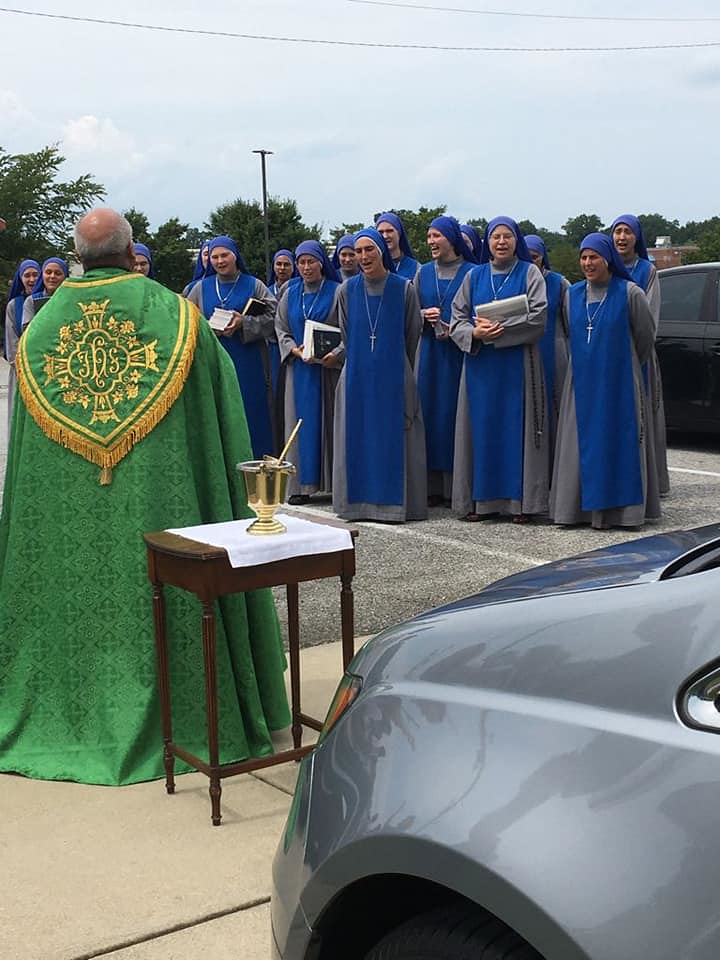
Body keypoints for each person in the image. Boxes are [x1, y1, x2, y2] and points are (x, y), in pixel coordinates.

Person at [0, 207, 290, 786]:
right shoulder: (180, 319)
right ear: (133, 249)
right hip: (167, 522)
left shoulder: (37, 335)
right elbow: (223, 419)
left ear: (77, 256)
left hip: (68, 535)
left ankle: (60, 709)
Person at [550, 233, 659, 529]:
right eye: (583, 257)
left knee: (619, 441)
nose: (588, 263)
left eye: (594, 257)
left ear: (608, 259)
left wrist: (623, 363)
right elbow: (571, 332)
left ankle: (623, 513)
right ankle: (577, 511)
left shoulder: (630, 293)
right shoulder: (570, 294)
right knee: (578, 444)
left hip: (620, 380)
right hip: (581, 381)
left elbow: (644, 338)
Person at [450, 216, 548, 523]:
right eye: (495, 237)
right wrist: (474, 334)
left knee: (514, 430)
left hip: (516, 365)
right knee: (480, 432)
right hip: (480, 366)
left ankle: (519, 503)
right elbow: (456, 318)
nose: (501, 242)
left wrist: (501, 329)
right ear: (487, 243)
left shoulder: (530, 272)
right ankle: (479, 502)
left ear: (516, 240)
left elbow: (539, 315)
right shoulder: (474, 276)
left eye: (507, 236)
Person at [332, 228, 427, 522]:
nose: (363, 257)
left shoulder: (404, 288)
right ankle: (357, 505)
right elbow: (347, 334)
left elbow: (412, 334)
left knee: (396, 437)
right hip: (357, 377)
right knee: (357, 435)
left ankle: (397, 506)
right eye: (358, 252)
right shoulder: (346, 290)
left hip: (394, 375)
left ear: (381, 252)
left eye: (368, 250)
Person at [187, 235, 277, 458]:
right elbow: (188, 321)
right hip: (213, 361)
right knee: (218, 415)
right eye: (215, 257)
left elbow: (275, 318)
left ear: (235, 256)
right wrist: (208, 330)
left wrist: (243, 323)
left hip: (248, 361)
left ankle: (256, 469)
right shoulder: (200, 288)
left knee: (250, 413)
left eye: (224, 255)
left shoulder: (255, 285)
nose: (219, 261)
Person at [415, 216, 476, 506]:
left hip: (460, 355)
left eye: (436, 236)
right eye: (429, 236)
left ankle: (456, 487)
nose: (430, 242)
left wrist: (458, 327)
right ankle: (430, 486)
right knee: (429, 414)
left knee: (456, 416)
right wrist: (421, 316)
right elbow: (408, 311)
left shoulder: (473, 272)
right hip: (429, 354)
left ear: (451, 238)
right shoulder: (422, 273)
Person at [275, 240, 341, 504]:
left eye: (310, 261)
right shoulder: (290, 293)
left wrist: (335, 354)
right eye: (301, 262)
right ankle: (300, 486)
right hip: (300, 371)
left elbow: (348, 329)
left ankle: (335, 483)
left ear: (321, 262)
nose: (305, 267)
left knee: (332, 421)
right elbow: (280, 329)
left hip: (328, 371)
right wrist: (294, 350)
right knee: (299, 425)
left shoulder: (338, 291)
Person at [610, 213, 669, 497]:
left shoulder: (647, 271)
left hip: (638, 355)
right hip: (608, 357)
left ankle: (649, 480)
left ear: (637, 237)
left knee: (642, 415)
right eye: (617, 232)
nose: (621, 237)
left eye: (627, 232)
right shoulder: (603, 266)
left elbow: (650, 319)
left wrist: (634, 352)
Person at [524, 234, 570, 463]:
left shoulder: (559, 283)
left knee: (555, 408)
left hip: (554, 349)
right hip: (525, 351)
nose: (532, 262)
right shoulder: (517, 280)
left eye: (536, 257)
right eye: (527, 257)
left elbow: (571, 319)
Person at [4, 258, 40, 432]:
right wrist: (22, 367)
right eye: (27, 275)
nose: (32, 279)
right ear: (21, 278)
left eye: (35, 275)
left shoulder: (45, 300)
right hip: (20, 369)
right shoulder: (14, 305)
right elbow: (11, 342)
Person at [21, 257, 69, 330]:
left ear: (65, 277)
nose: (52, 276)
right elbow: (27, 331)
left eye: (58, 273)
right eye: (48, 272)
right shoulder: (31, 301)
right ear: (42, 275)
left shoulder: (71, 298)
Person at [375, 212, 419, 280]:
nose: (385, 236)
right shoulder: (372, 267)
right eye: (381, 232)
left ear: (399, 233)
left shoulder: (416, 268)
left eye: (390, 231)